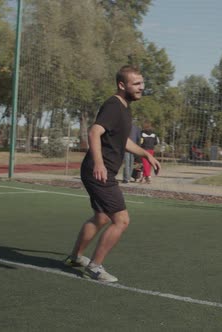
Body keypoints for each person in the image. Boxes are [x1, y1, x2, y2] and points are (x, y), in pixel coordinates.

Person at [64, 65, 161, 282]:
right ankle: (95, 267)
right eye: (136, 84)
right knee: (122, 220)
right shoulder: (113, 105)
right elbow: (94, 132)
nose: (141, 88)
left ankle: (75, 257)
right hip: (99, 171)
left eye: (142, 83)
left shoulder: (125, 107)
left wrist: (146, 154)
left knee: (101, 216)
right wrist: (99, 163)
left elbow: (122, 140)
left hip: (97, 170)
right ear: (121, 85)